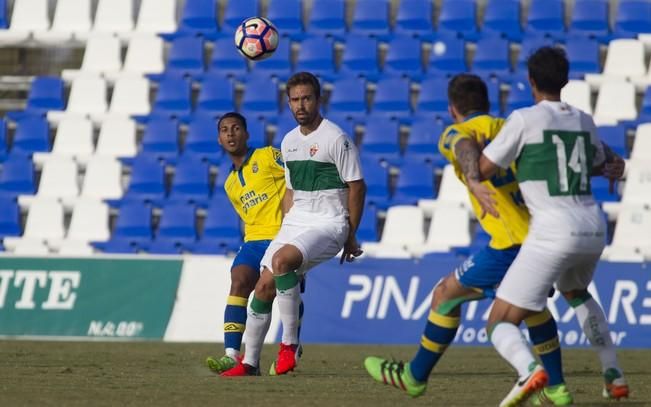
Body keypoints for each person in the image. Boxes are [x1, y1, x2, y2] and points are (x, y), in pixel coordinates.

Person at [364, 72, 627, 406]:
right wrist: (610, 159)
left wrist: (474, 179)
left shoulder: (459, 131)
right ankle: (558, 387)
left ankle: (415, 377)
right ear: (488, 103)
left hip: (511, 243)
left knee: (446, 295)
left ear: (452, 109)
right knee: (534, 308)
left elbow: (462, 147)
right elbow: (577, 146)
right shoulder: (514, 126)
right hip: (546, 233)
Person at [468, 46, 629, 406]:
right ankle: (613, 371)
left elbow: (483, 169)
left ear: (530, 81)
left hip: (554, 229)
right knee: (577, 294)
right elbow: (605, 163)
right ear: (566, 80)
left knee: (499, 322)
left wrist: (477, 149)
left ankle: (530, 371)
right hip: (592, 226)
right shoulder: (585, 120)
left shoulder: (524, 120)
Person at [240, 71, 366, 377]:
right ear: (288, 102)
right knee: (262, 288)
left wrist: (351, 234)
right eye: (295, 100)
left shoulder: (336, 138)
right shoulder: (289, 141)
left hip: (328, 222)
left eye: (306, 98)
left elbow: (357, 187)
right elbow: (291, 191)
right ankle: (249, 363)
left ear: (318, 100)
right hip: (296, 223)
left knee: (282, 262)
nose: (301, 105)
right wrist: (285, 228)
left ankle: (289, 346)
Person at [205, 112, 299, 376]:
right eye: (225, 130)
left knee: (277, 291)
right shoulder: (229, 184)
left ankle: (292, 345)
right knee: (238, 278)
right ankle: (232, 355)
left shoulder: (268, 155)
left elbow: (297, 174)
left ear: (246, 134)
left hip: (284, 236)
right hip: (254, 240)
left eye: (236, 128)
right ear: (219, 139)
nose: (231, 133)